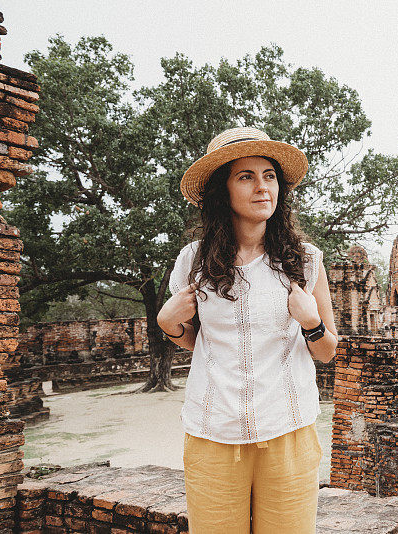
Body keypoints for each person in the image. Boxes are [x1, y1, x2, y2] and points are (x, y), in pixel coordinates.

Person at [157, 126, 339, 533]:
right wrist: (169, 325)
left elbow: (327, 351)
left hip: (287, 428)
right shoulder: (193, 261)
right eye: (246, 176)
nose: (262, 188)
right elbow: (194, 340)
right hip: (213, 430)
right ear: (223, 191)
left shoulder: (305, 261)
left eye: (269, 176)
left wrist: (310, 321)